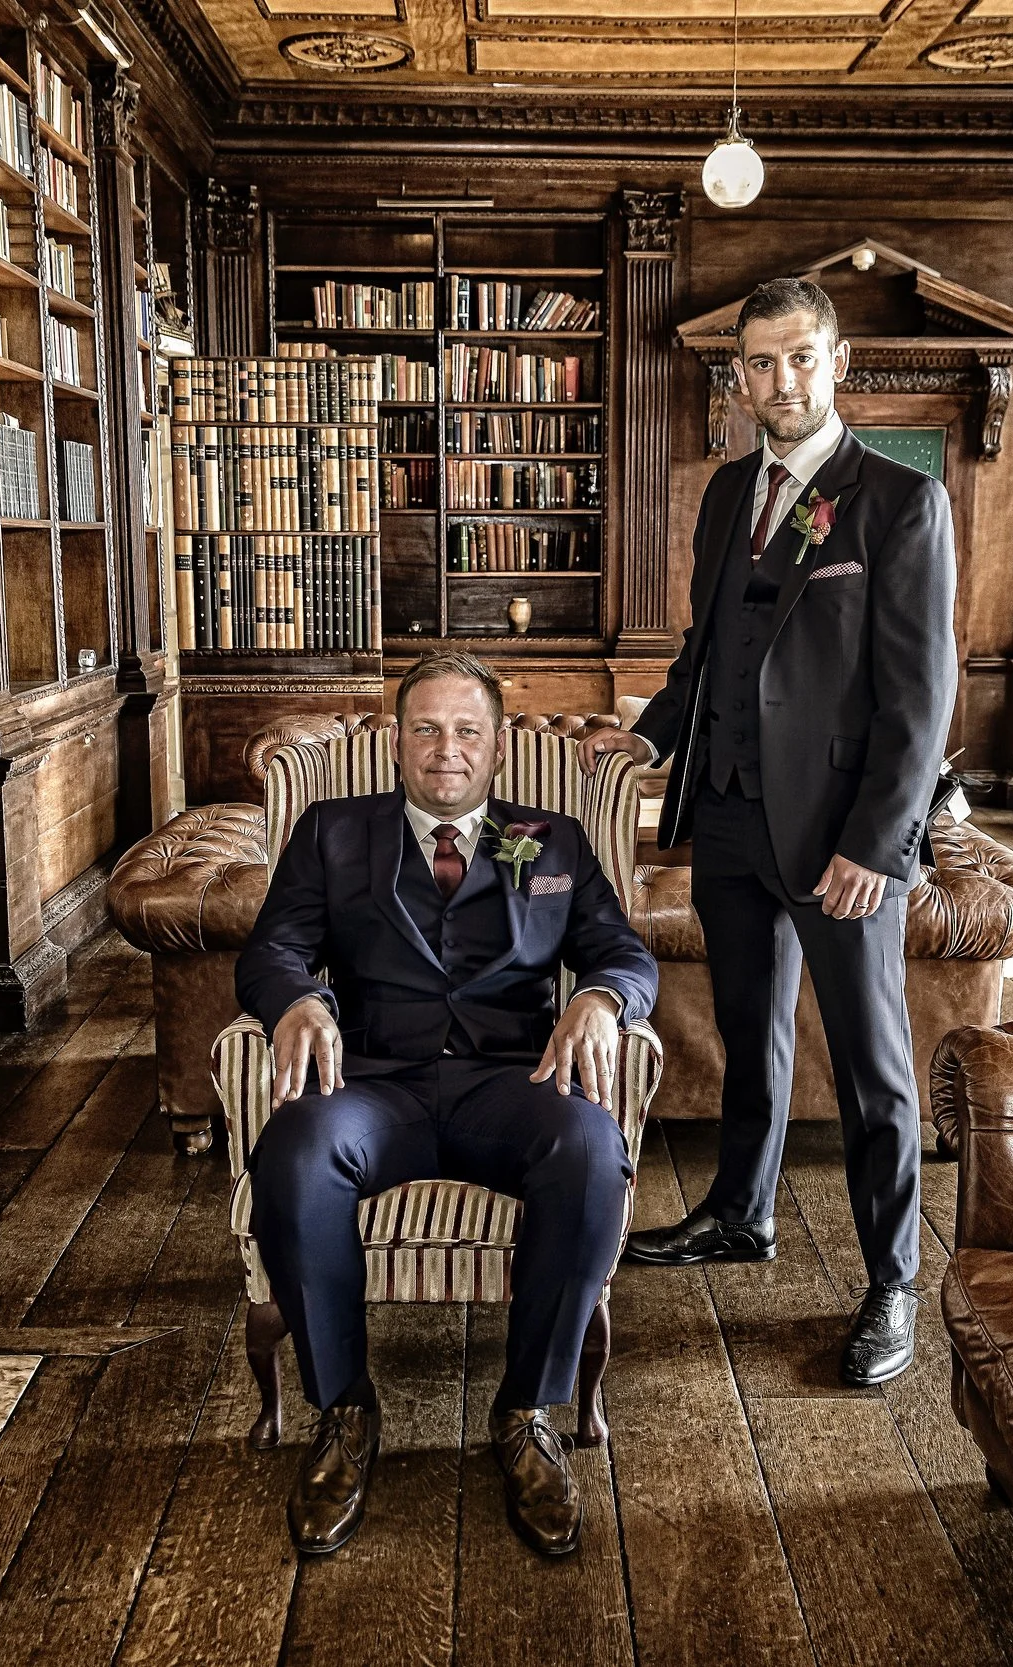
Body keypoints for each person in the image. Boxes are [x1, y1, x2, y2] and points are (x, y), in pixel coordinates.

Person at [579, 276, 957, 1388]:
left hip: (841, 839)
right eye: (758, 362)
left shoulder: (900, 501)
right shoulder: (724, 494)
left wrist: (876, 846)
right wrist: (650, 737)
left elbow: (919, 700)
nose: (779, 380)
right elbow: (704, 653)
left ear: (837, 363)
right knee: (749, 1031)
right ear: (737, 376)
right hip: (729, 818)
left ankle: (893, 1280)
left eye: (799, 357)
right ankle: (742, 1212)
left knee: (873, 1065)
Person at [237, 651, 659, 1558]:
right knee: (295, 1152)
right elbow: (272, 950)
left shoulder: (552, 841)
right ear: (397, 741)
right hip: (372, 1084)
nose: (446, 749)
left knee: (592, 1152)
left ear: (498, 746)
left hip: (513, 1084)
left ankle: (527, 1412)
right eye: (425, 728)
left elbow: (624, 952)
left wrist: (600, 998)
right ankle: (345, 1411)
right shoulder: (332, 831)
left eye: (467, 730)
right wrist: (299, 1000)